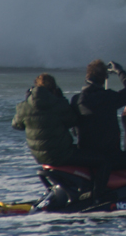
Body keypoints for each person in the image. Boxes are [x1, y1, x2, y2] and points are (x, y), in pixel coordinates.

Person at [12, 73, 111, 202]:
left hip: (40, 157)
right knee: (103, 160)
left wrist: (26, 101)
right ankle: (98, 195)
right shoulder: (57, 104)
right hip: (61, 154)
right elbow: (73, 120)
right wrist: (62, 98)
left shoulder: (24, 106)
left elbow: (16, 125)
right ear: (54, 89)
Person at [72, 59, 126, 196]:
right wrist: (119, 71)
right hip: (109, 155)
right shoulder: (107, 97)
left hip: (86, 154)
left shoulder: (76, 99)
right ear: (105, 78)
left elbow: (74, 129)